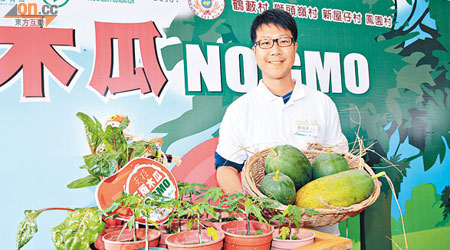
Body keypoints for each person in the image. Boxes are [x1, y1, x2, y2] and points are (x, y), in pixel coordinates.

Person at [214, 9, 348, 235]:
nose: (275, 50)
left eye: (283, 41)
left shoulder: (322, 104)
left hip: (321, 231)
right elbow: (225, 168)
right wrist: (248, 209)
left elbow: (341, 161)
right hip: (268, 233)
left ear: (295, 48)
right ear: (254, 52)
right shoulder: (240, 110)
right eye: (265, 43)